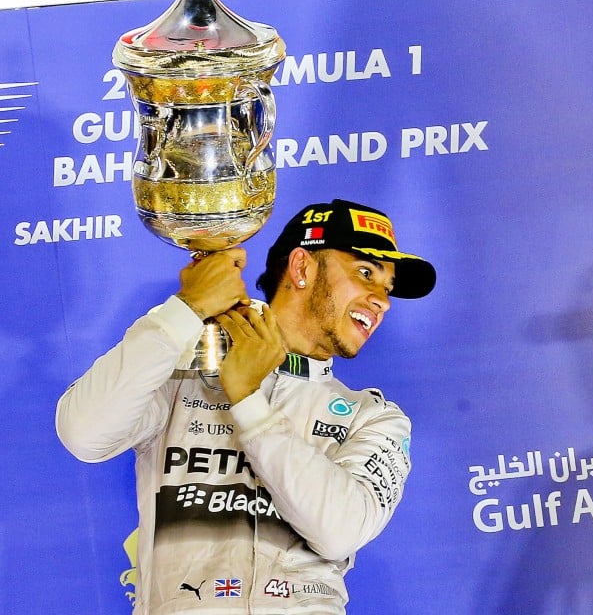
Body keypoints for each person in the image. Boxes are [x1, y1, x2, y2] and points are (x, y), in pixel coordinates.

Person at [56, 198, 436, 613]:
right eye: (366, 273)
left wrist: (249, 399)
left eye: (387, 286)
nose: (382, 300)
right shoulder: (184, 363)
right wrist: (187, 310)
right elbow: (83, 434)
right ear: (302, 267)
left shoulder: (376, 418)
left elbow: (339, 531)